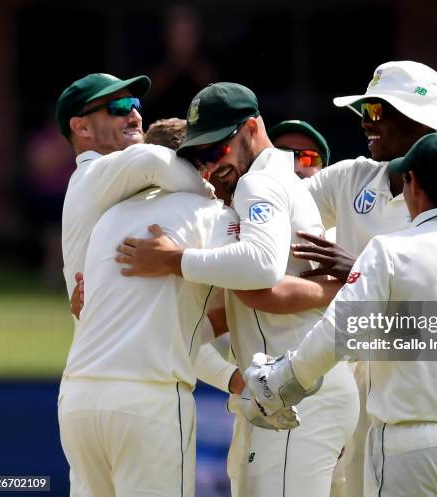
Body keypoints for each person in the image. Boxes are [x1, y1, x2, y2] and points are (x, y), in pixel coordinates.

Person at [245, 132, 437, 497]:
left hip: (404, 442)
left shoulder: (388, 251)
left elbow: (340, 332)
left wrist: (280, 381)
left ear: (412, 183)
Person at [115, 82, 359, 497]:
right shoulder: (266, 183)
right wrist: (231, 378)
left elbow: (259, 268)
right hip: (293, 390)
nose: (210, 166)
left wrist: (173, 259)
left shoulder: (257, 184)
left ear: (250, 128)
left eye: (217, 149)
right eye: (199, 155)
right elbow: (224, 312)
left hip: (298, 393)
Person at [57, 75, 283, 496]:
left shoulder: (113, 213)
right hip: (148, 399)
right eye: (119, 107)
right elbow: (263, 271)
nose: (134, 113)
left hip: (80, 395)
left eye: (134, 105)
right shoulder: (202, 209)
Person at [290, 61, 437, 497]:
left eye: (378, 112)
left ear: (419, 121)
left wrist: (359, 271)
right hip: (345, 375)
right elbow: (277, 216)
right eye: (364, 110)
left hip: (417, 387)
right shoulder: (351, 176)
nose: (366, 123)